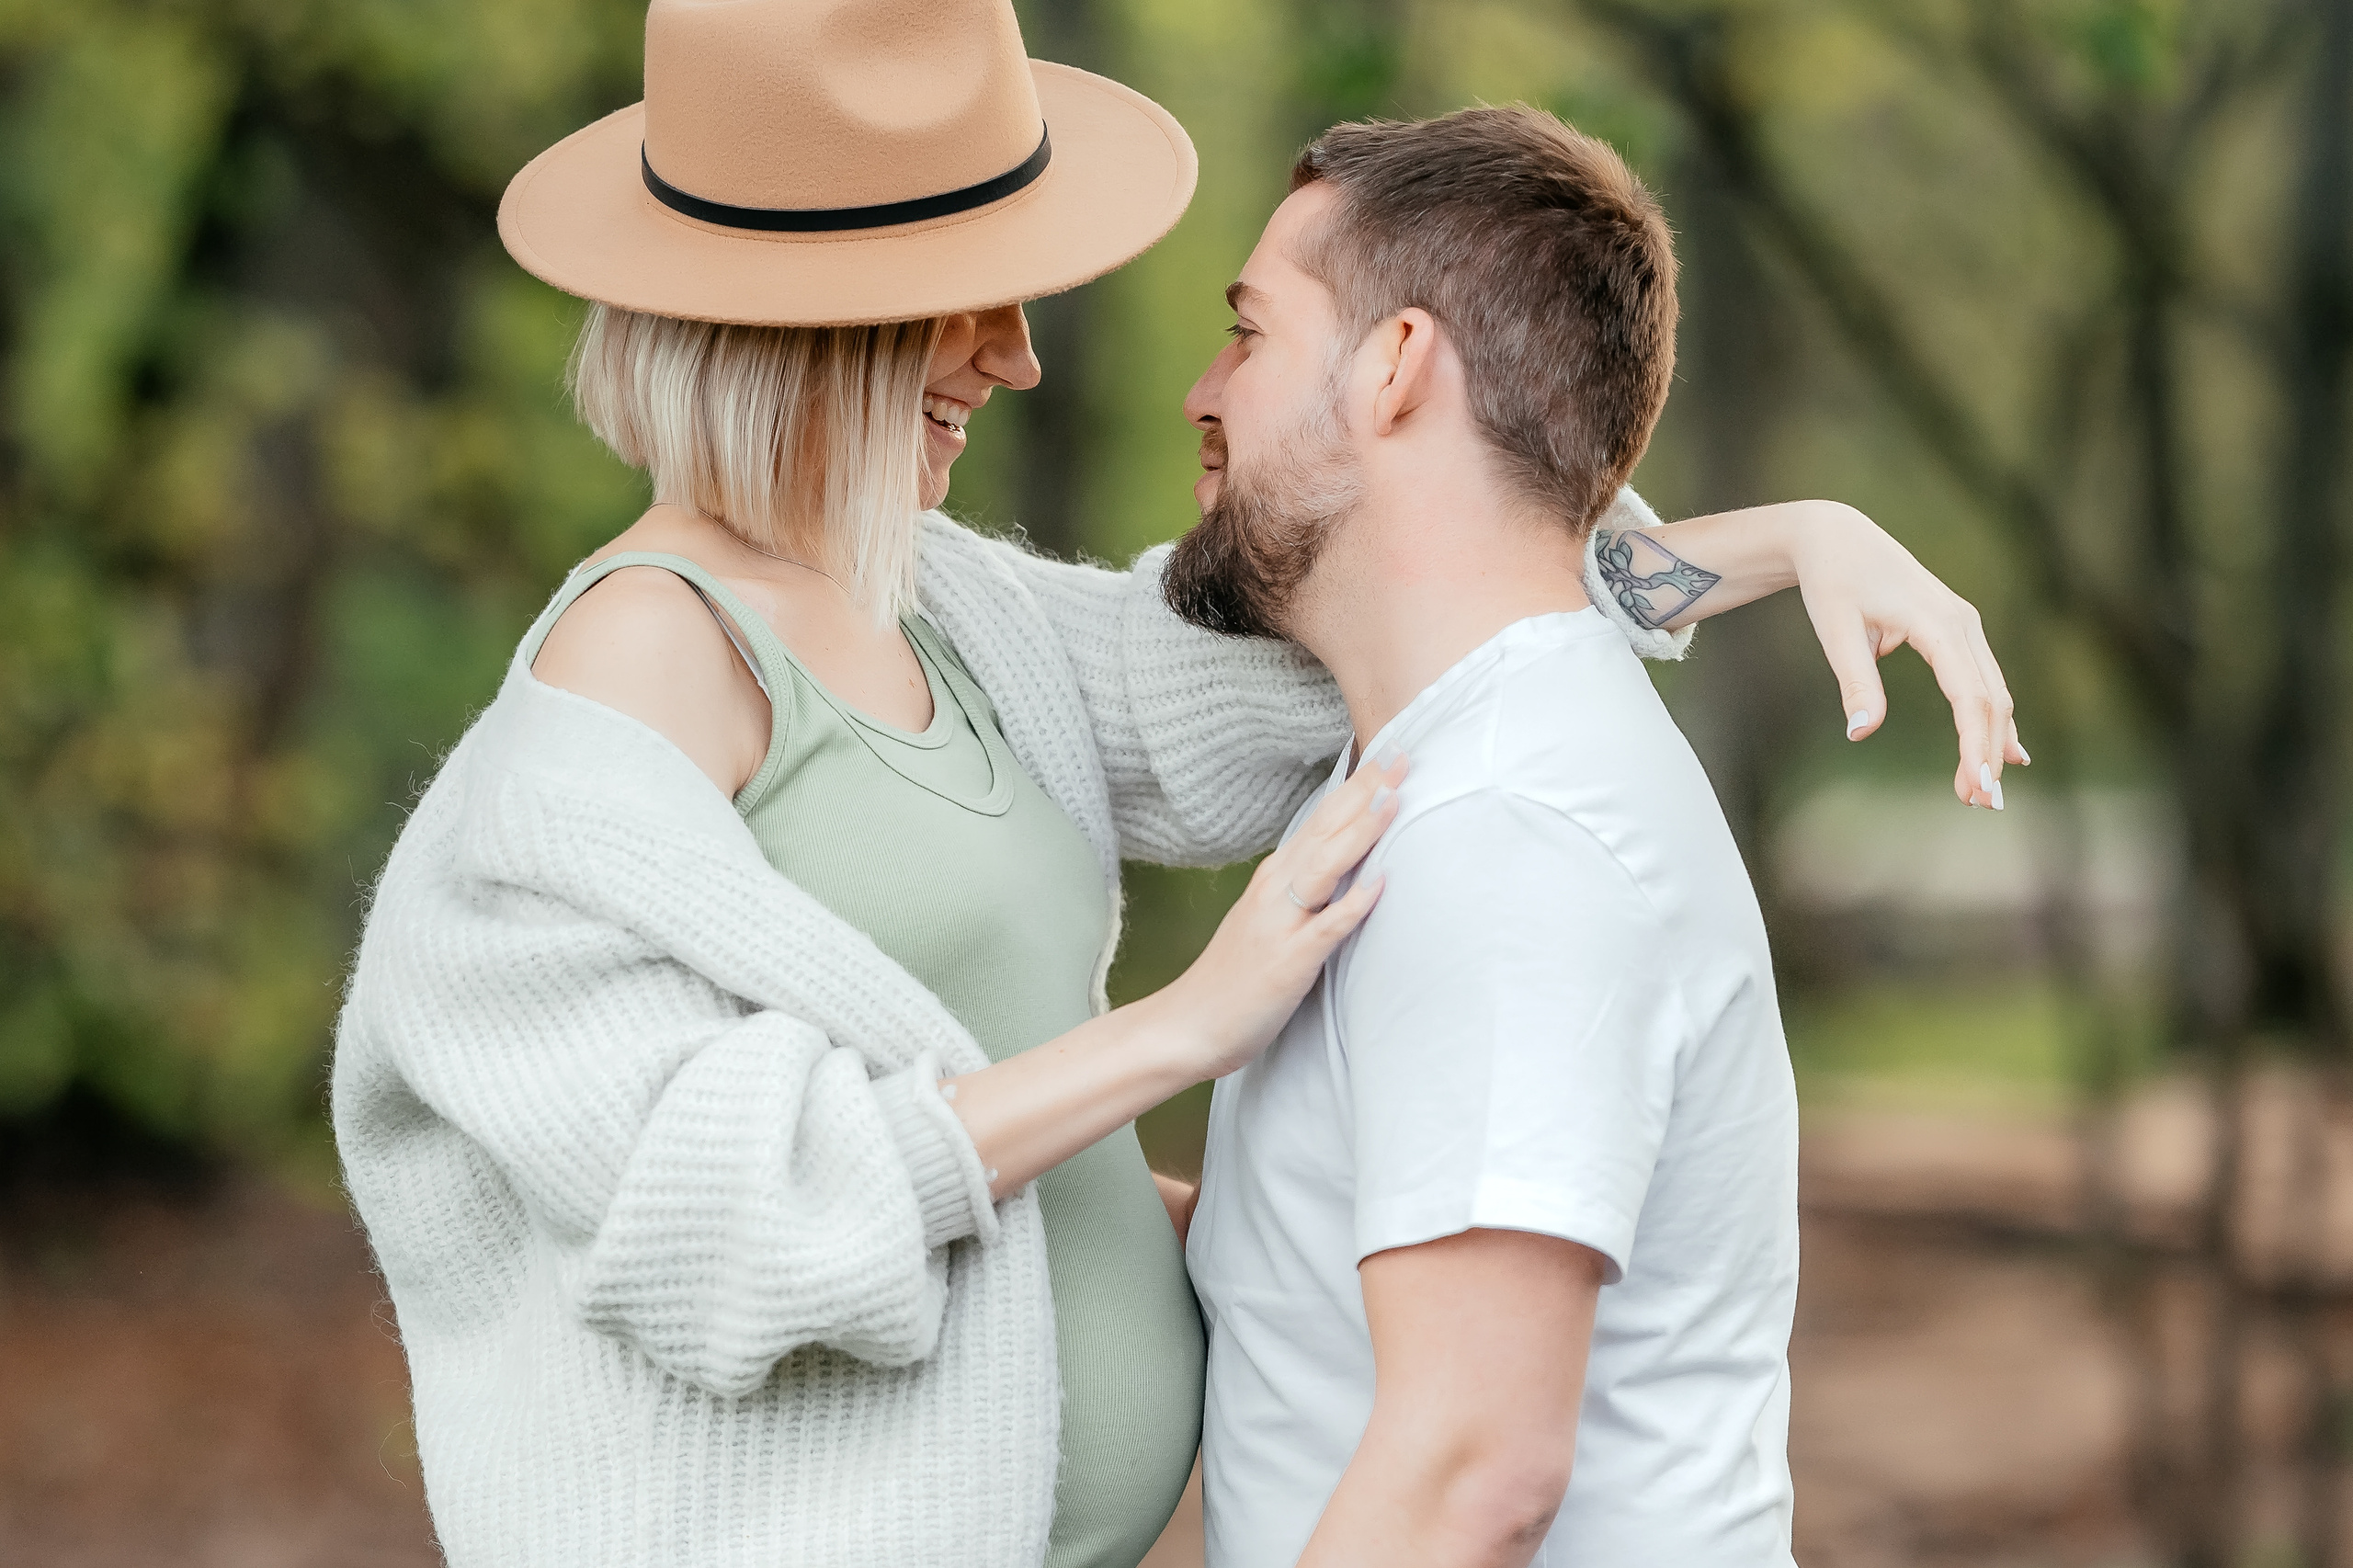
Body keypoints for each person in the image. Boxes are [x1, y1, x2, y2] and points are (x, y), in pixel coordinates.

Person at [332, 4, 2017, 1566]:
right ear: (807, 317)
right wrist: (1182, 1031)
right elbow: (715, 1216)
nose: (1017, 357)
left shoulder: (939, 604)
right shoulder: (621, 683)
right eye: (969, 295)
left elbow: (1370, 602)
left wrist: (1783, 543)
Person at [1165, 108, 2022, 1568]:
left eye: (1249, 332)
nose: (1207, 387)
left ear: (1395, 367)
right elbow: (1325, 1252)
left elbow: (1474, 1471)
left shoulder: (1508, 828)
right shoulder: (1447, 767)